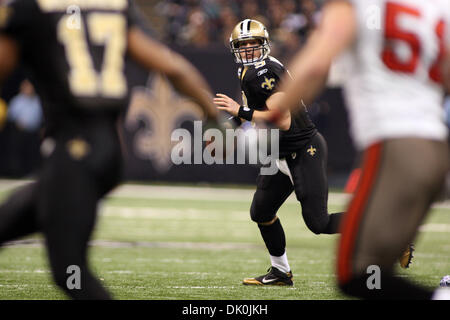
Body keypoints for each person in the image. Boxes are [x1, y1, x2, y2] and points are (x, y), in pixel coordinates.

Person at [0, 0, 220, 299]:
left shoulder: (31, 8)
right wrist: (214, 117)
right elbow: (174, 67)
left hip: (73, 151)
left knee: (69, 271)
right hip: (107, 152)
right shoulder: (113, 5)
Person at [275, 0, 450, 299]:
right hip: (436, 149)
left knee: (357, 274)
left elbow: (316, 65)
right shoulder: (435, 7)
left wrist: (272, 116)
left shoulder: (357, 5)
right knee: (377, 270)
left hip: (396, 148)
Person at [214, 19, 344, 286]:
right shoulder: (250, 71)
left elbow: (280, 119)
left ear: (264, 44)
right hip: (282, 152)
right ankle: (281, 272)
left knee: (319, 223)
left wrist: (238, 111)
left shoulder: (263, 72)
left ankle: (386, 230)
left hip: (303, 149)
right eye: (243, 44)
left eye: (253, 43)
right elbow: (253, 108)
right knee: (261, 211)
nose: (248, 49)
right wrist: (229, 128)